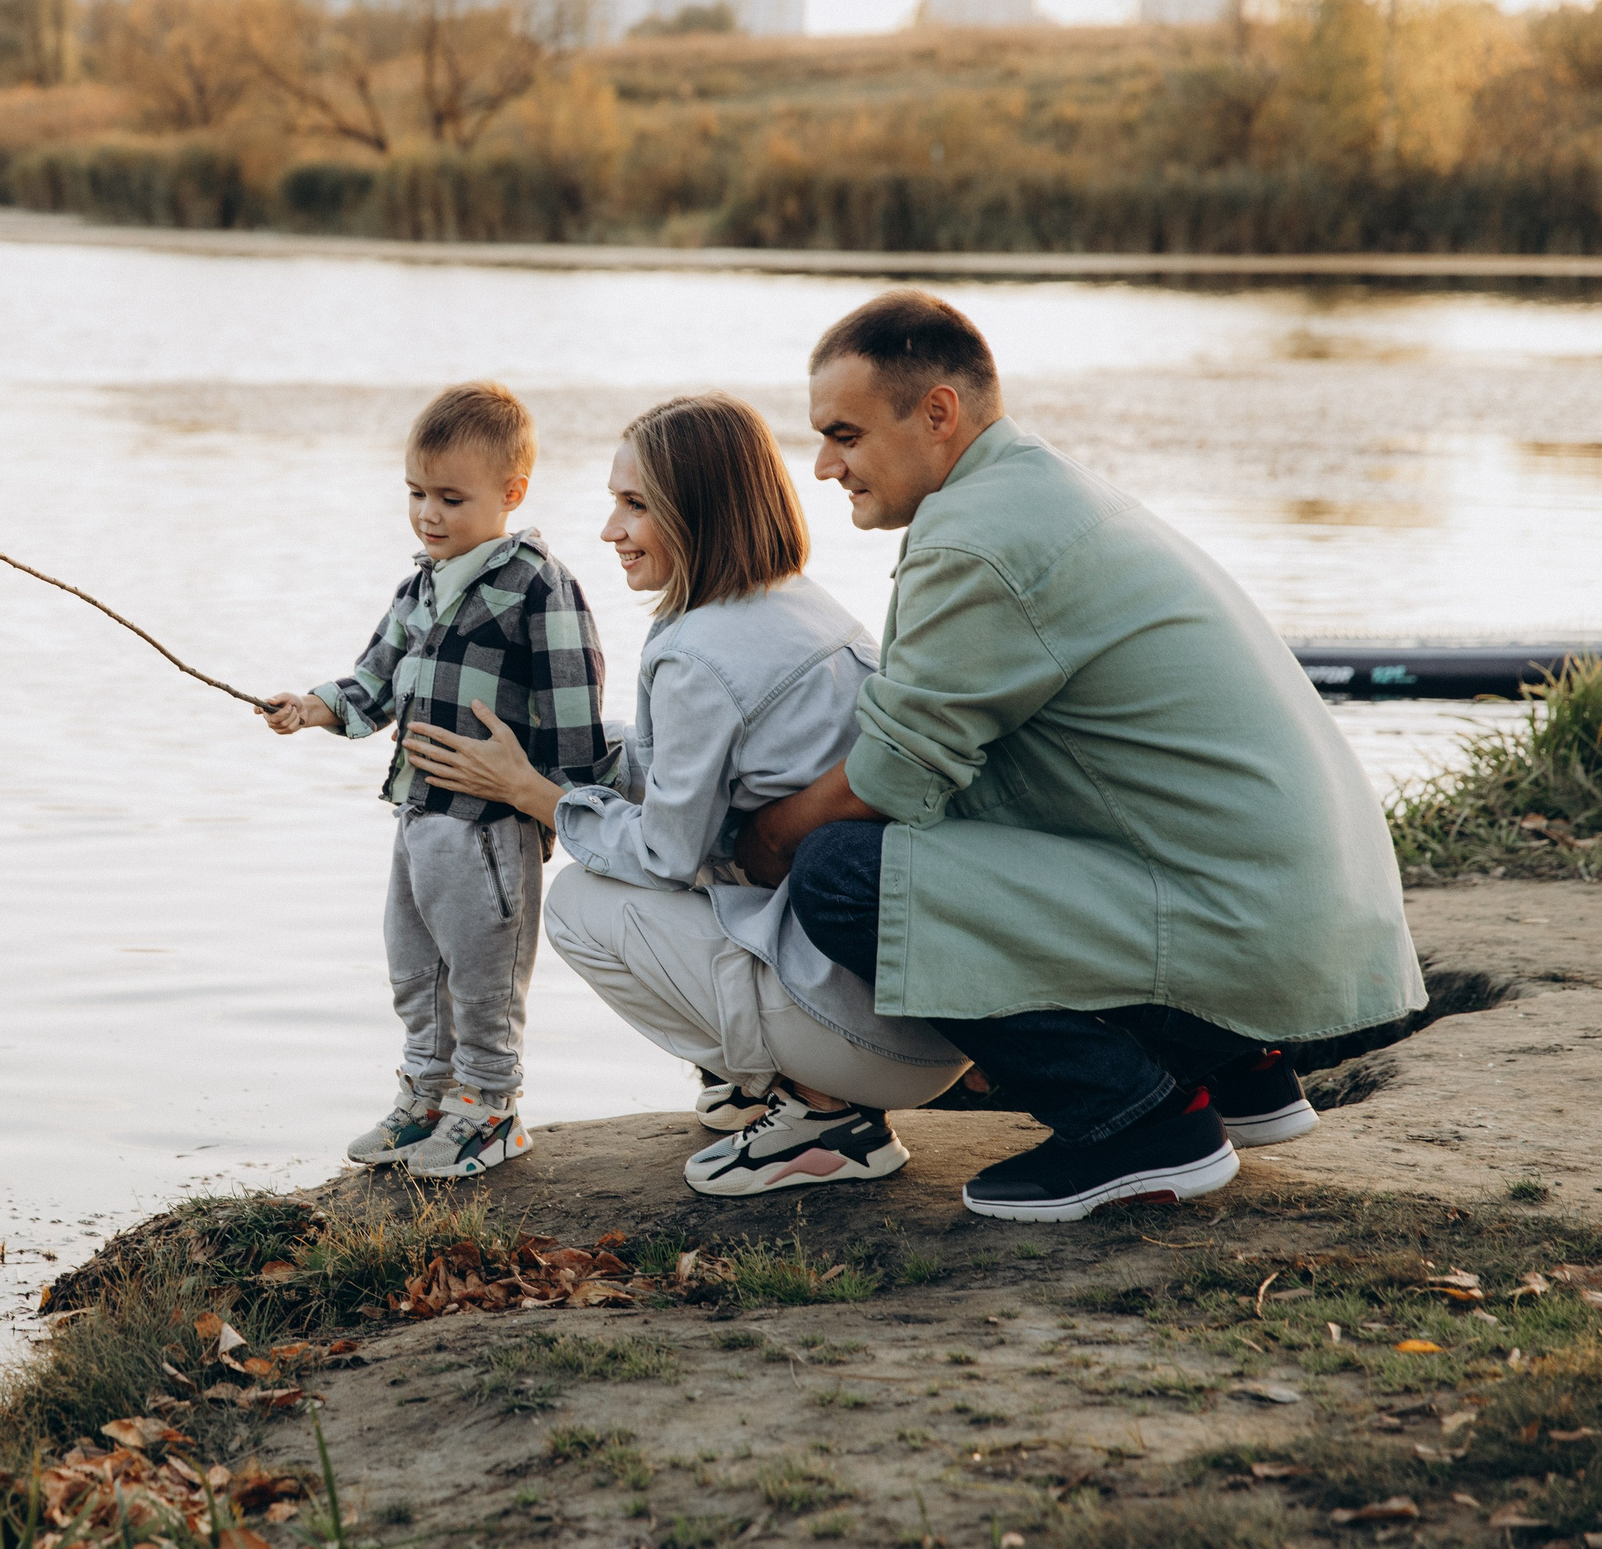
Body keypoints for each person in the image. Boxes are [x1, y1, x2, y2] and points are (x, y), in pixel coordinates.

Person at [736, 290, 1422, 1222]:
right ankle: (1235, 1068)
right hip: (1303, 922)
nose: (823, 465)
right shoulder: (1038, 487)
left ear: (937, 412)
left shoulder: (973, 538)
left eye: (844, 435)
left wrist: (765, 838)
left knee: (841, 875)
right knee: (949, 834)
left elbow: (891, 783)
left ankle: (1142, 1124)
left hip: (1251, 927)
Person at [402, 394, 969, 1198]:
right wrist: (564, 749)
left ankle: (824, 1112)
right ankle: (772, 1085)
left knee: (580, 903)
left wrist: (532, 792)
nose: (611, 529)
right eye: (614, 501)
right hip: (929, 1018)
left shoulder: (698, 651)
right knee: (702, 851)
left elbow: (666, 852)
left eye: (635, 505)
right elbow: (682, 769)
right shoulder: (796, 602)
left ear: (699, 511)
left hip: (876, 1038)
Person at [258, 382, 612, 1179]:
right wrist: (311, 707)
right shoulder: (420, 584)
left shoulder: (538, 585)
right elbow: (373, 681)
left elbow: (574, 708)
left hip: (491, 825)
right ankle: (426, 1095)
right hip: (417, 814)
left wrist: (565, 806)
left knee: (484, 975)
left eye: (452, 498)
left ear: (511, 492)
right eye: (416, 493)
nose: (429, 513)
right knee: (414, 964)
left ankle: (489, 1109)